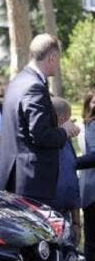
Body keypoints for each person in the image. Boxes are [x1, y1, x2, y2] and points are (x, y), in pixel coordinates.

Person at [0, 34, 79, 206]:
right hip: (30, 182)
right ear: (52, 57)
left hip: (17, 176)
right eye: (58, 59)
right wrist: (65, 130)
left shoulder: (19, 80)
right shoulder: (34, 86)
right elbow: (40, 134)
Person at [50, 97, 81, 238]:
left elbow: (73, 181)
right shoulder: (41, 146)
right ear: (62, 119)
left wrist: (76, 222)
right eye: (70, 120)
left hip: (66, 217)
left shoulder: (67, 143)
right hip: (47, 217)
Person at [78, 92, 95, 261]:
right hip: (89, 189)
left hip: (92, 191)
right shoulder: (86, 124)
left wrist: (68, 163)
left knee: (91, 245)